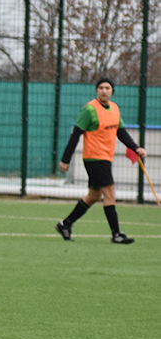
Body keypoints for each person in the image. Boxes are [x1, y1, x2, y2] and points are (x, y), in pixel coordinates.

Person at [56, 78, 146, 243]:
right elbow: (76, 134)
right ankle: (116, 234)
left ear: (112, 91)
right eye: (101, 88)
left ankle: (65, 224)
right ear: (96, 90)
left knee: (94, 196)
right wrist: (65, 159)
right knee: (110, 192)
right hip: (94, 157)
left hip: (106, 158)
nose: (104, 91)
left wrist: (136, 148)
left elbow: (121, 132)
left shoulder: (115, 109)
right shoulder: (89, 110)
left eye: (108, 88)